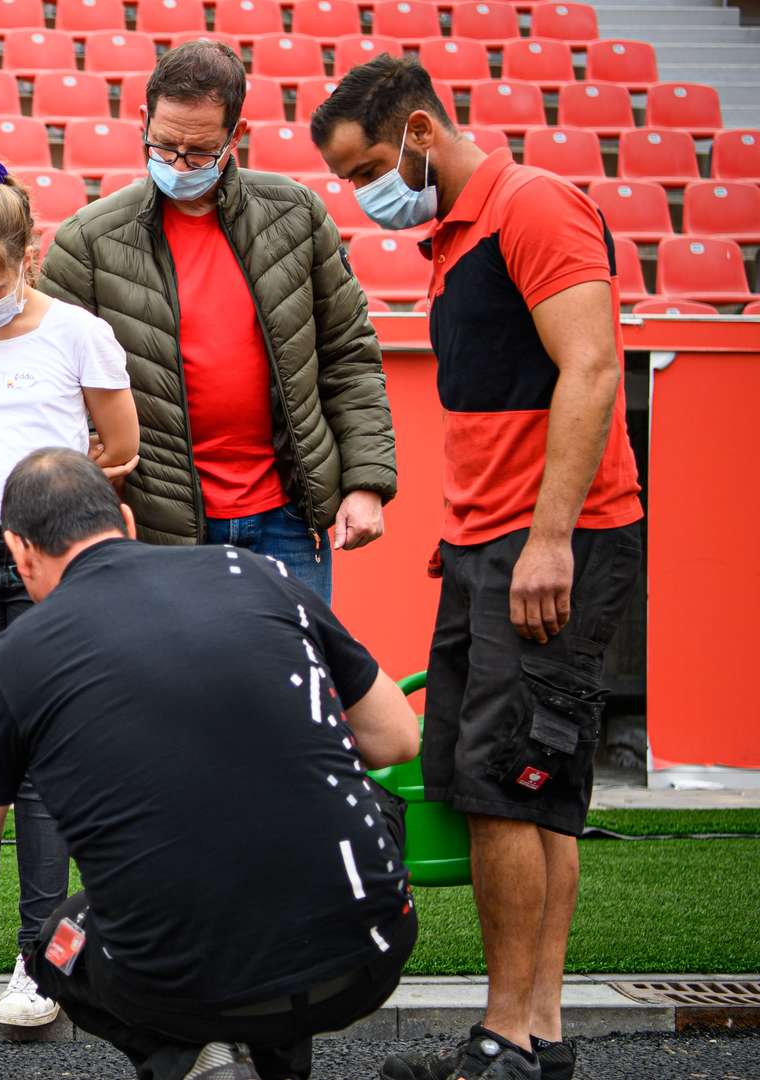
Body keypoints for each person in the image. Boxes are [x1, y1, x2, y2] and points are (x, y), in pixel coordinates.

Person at [0, 448, 422, 1080]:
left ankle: (196, 1055)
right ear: (124, 518)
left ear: (19, 552)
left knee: (57, 948)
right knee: (324, 833)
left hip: (183, 984)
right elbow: (395, 739)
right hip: (371, 951)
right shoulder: (253, 572)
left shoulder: (12, 662)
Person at [311, 57, 645, 1080]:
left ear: (418, 131)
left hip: (556, 544)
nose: (366, 188)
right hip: (488, 545)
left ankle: (507, 1038)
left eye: (368, 164)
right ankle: (536, 1038)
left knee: (512, 786)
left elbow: (592, 368)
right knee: (516, 784)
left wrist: (544, 538)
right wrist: (468, 540)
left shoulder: (534, 207)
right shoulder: (454, 241)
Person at [38, 40, 396, 603]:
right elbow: (52, 386)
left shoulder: (297, 215)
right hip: (158, 528)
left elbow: (349, 356)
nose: (178, 164)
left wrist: (366, 482)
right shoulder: (87, 241)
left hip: (288, 521)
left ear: (238, 134)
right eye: (164, 145)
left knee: (291, 687)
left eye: (201, 152)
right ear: (142, 120)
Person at [0, 163, 140, 1029]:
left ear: (30, 258)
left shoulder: (77, 334)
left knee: (48, 757)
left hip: (52, 560)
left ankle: (35, 957)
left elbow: (118, 446)